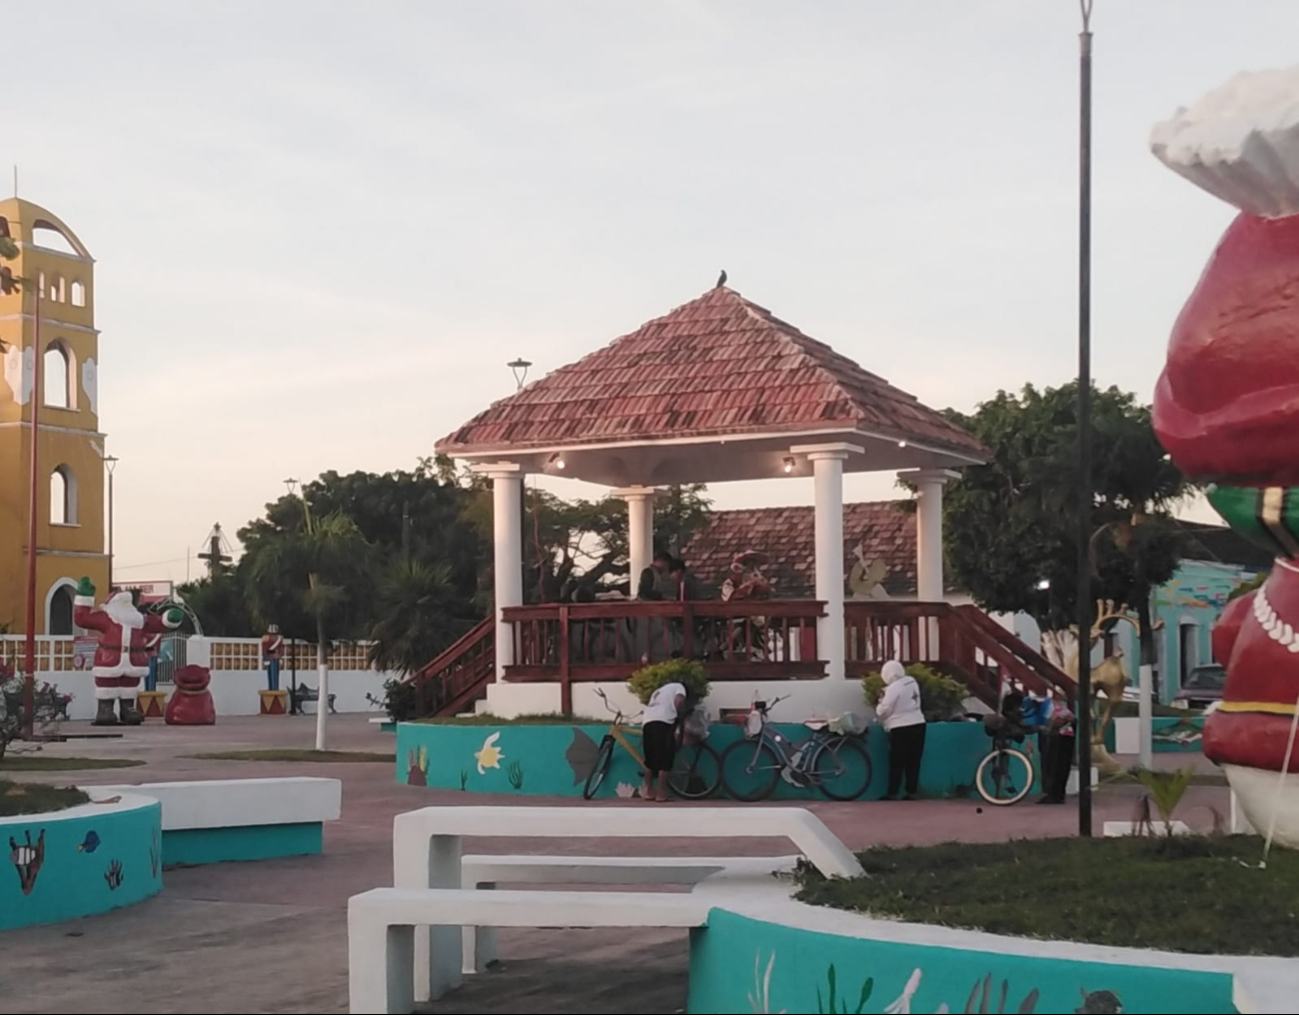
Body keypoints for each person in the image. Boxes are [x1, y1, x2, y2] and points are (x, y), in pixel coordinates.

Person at [876, 660, 926, 800]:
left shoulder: (893, 688)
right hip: (919, 723)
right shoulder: (911, 681)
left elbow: (884, 710)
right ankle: (912, 791)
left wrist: (880, 701)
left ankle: (892, 792)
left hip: (900, 727)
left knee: (897, 762)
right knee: (914, 760)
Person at [641, 679, 687, 802]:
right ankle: (661, 793)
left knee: (649, 759)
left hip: (647, 722)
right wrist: (679, 715)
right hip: (663, 722)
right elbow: (679, 700)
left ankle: (649, 791)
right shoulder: (679, 686)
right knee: (665, 758)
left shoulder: (657, 692)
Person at [1038, 691, 1076, 805]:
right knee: (1059, 766)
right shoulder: (1060, 708)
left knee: (1055, 765)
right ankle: (1056, 794)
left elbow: (1055, 720)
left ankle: (1054, 794)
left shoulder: (1053, 708)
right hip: (1064, 736)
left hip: (1059, 737)